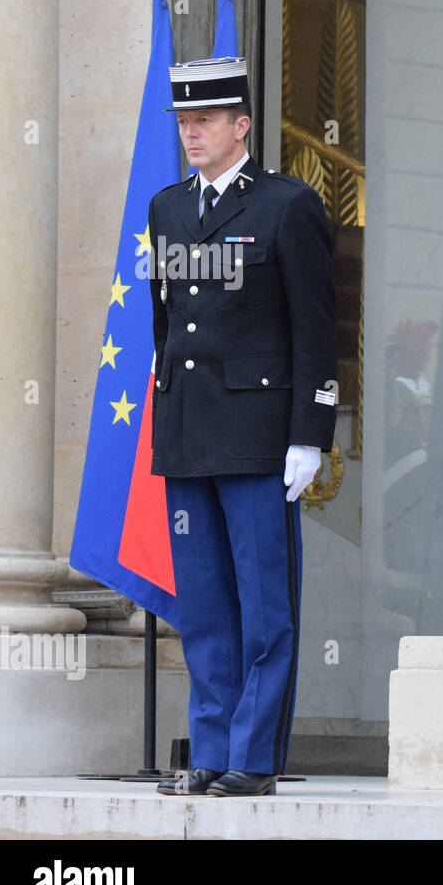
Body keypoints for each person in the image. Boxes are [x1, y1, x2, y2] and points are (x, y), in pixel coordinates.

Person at [148, 57, 338, 797]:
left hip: (260, 434)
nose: (191, 133)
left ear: (242, 125)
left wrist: (310, 432)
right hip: (190, 430)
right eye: (185, 123)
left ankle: (252, 758)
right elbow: (168, 325)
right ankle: (212, 749)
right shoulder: (167, 209)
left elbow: (315, 331)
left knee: (263, 607)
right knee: (202, 605)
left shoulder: (287, 206)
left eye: (204, 121)